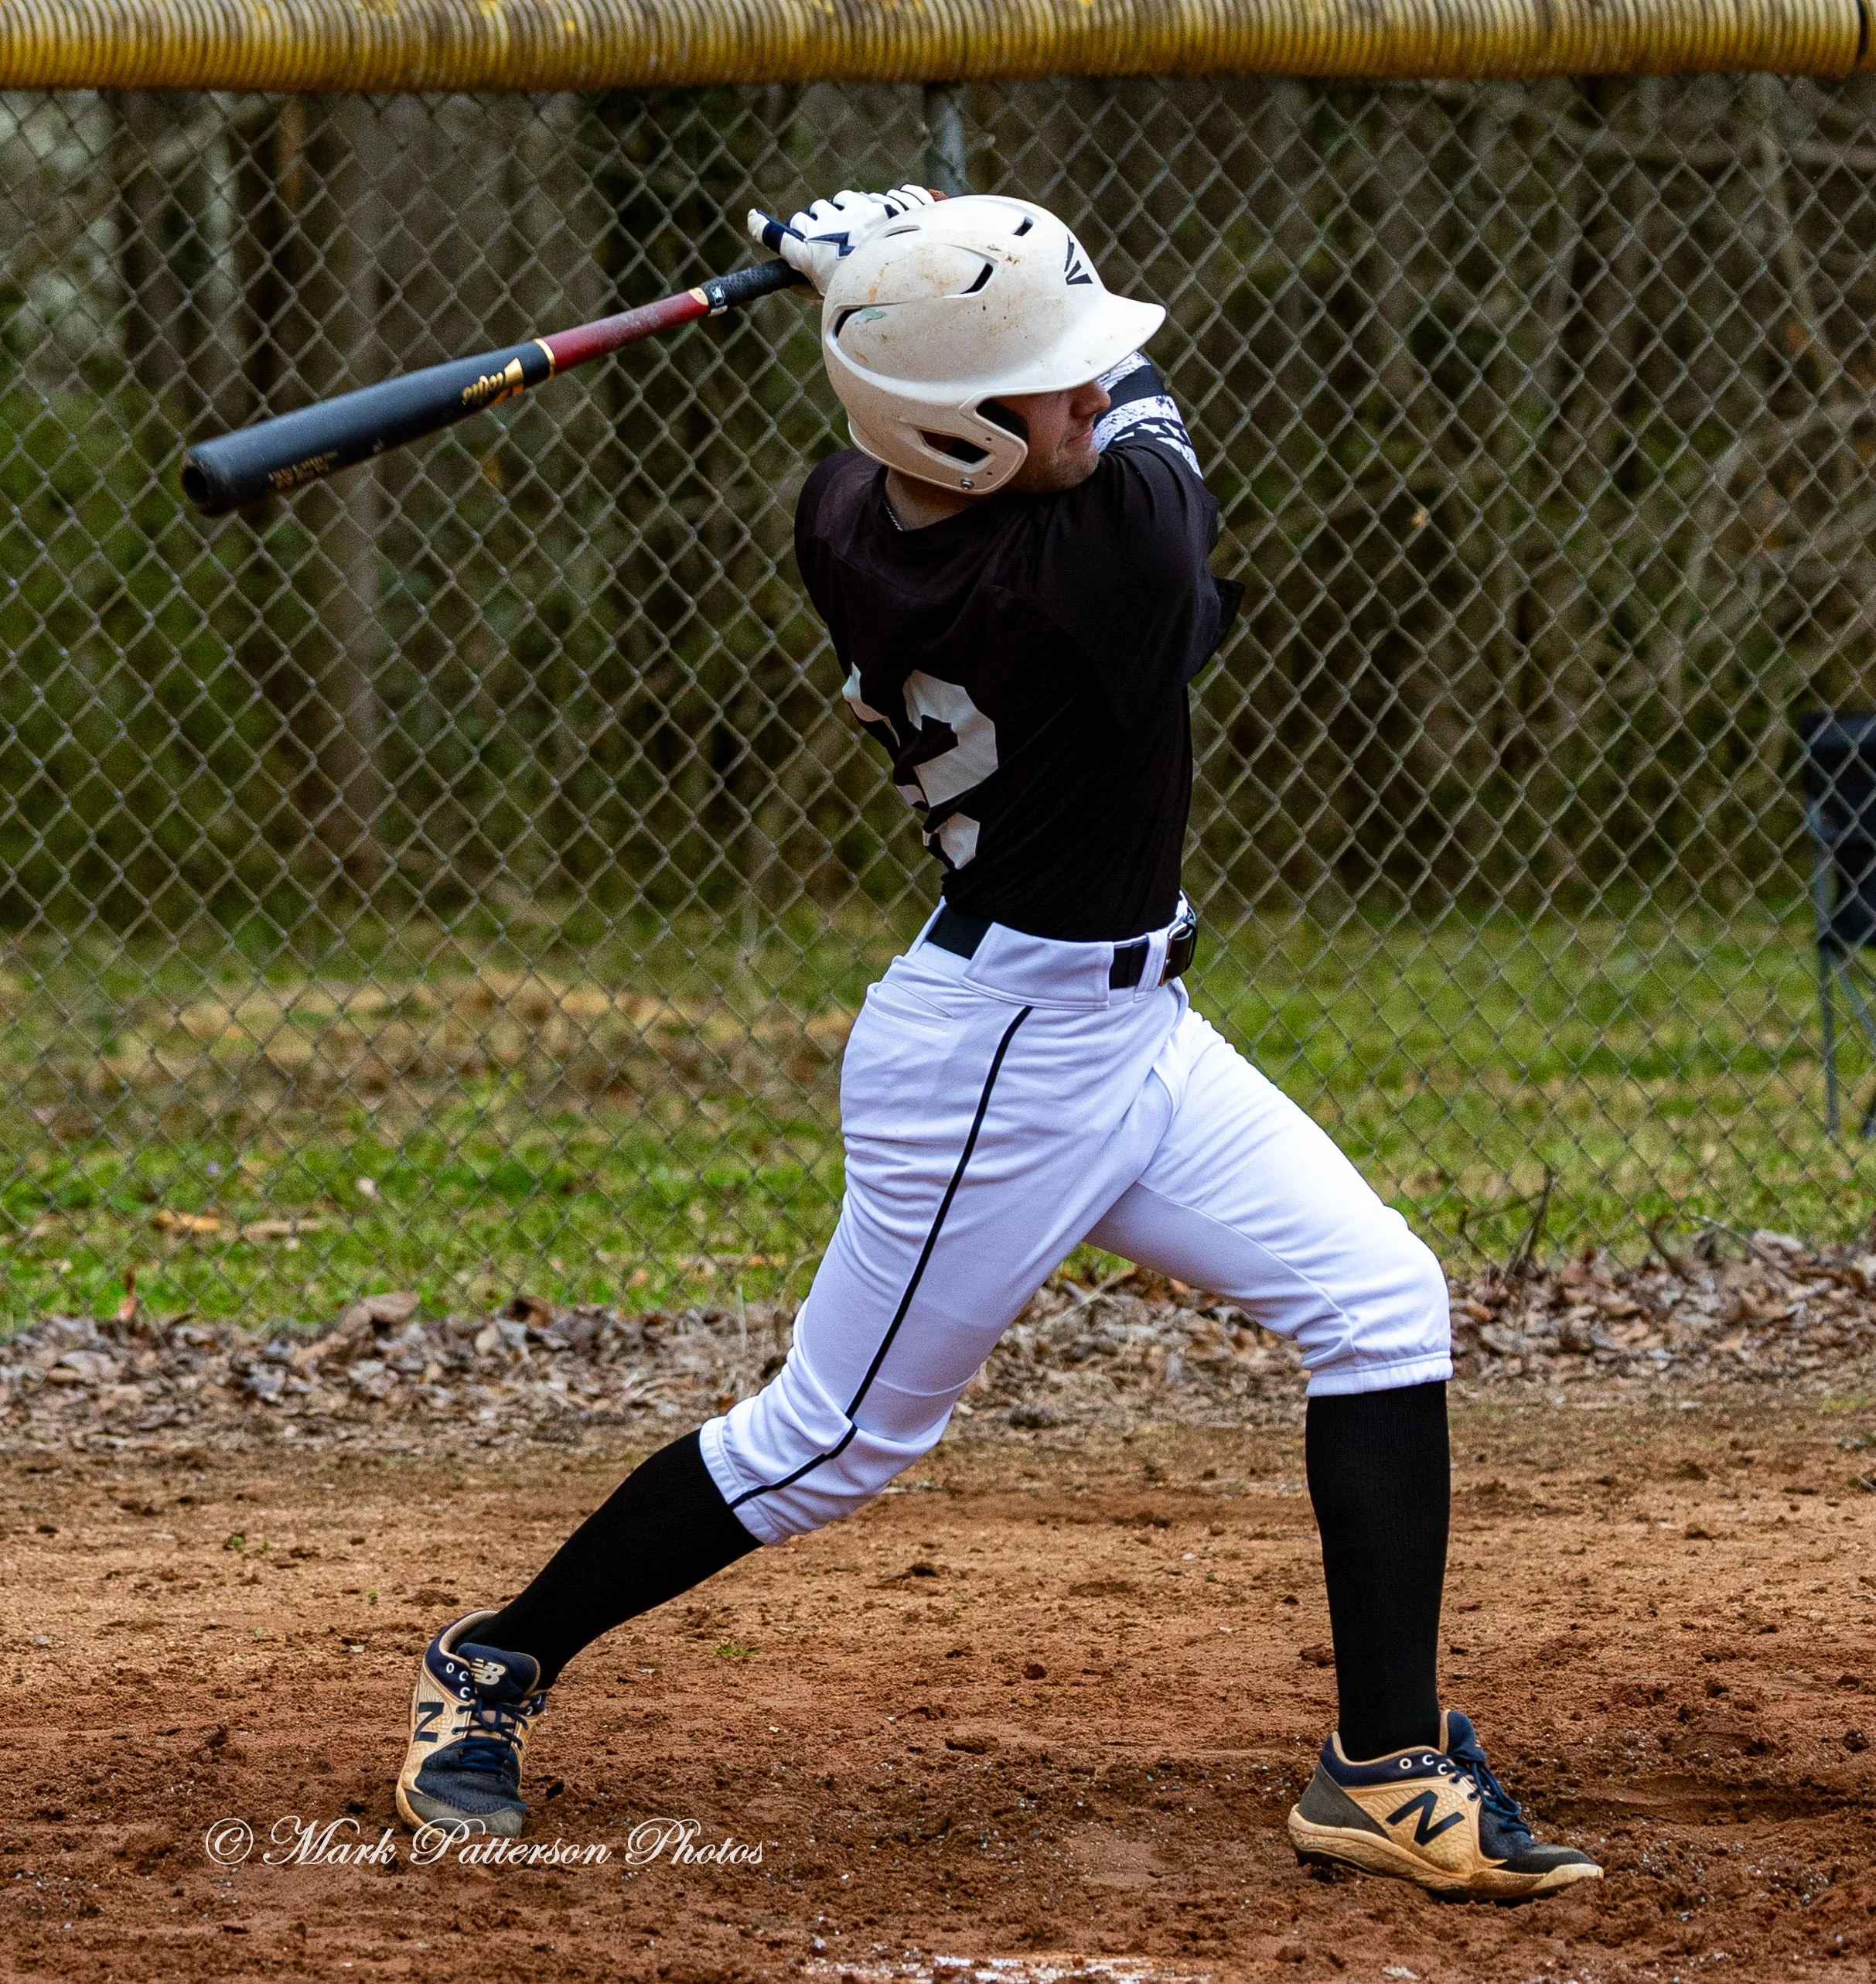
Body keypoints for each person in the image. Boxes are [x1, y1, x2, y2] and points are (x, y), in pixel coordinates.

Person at [394, 185, 1601, 1903]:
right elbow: (1163, 453)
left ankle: (1386, 1767)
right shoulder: (1106, 568)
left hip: (1136, 1033)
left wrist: (882, 286)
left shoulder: (846, 512)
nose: (1097, 401)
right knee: (830, 1441)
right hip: (997, 1065)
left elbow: (961, 416)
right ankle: (492, 1660)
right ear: (951, 427)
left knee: (1382, 1300)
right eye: (1055, 388)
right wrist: (908, 253)